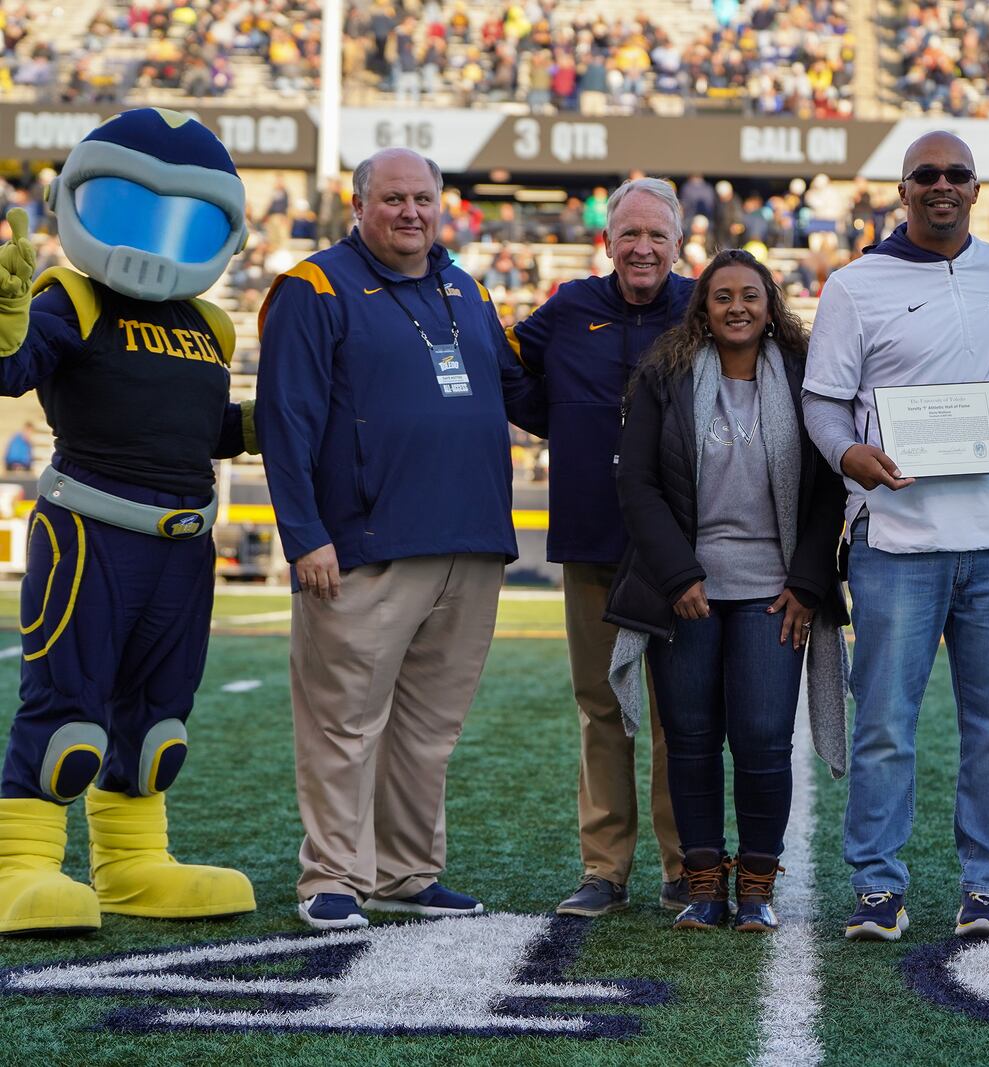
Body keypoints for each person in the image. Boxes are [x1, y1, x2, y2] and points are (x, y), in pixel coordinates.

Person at [255, 147, 541, 931]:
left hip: (471, 541)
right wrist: (305, 534)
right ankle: (335, 876)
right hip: (364, 546)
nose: (410, 211)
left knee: (428, 730)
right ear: (357, 205)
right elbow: (286, 418)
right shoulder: (313, 287)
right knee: (344, 722)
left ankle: (408, 871)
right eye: (393, 199)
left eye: (422, 197)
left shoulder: (467, 287)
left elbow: (526, 393)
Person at [0, 109, 256, 935]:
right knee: (68, 713)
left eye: (181, 218)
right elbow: (14, 371)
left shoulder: (210, 324)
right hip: (90, 533)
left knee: (155, 726)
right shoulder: (69, 294)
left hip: (183, 543)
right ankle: (20, 867)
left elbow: (203, 429)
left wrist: (284, 413)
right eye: (127, 208)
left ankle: (134, 865)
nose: (152, 239)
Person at [804, 131, 989, 941]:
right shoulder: (853, 285)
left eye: (958, 175)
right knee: (883, 726)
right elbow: (824, 403)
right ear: (901, 192)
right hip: (897, 542)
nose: (942, 185)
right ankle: (878, 885)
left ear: (978, 190)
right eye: (925, 175)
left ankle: (987, 888)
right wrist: (849, 454)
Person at [605, 249, 848, 933]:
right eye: (722, 296)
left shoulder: (804, 377)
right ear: (702, 309)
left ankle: (758, 885)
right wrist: (679, 573)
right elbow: (638, 484)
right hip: (688, 589)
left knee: (766, 739)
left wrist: (807, 581)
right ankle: (705, 883)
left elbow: (828, 484)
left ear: (771, 304)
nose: (737, 306)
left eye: (750, 294)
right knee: (689, 739)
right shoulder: (665, 375)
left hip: (776, 591)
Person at [507, 177, 693, 917]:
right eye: (629, 235)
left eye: (656, 236)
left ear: (678, 244)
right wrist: (564, 421)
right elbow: (507, 367)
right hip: (590, 537)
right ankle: (604, 868)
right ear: (607, 241)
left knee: (681, 713)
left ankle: (688, 866)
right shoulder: (570, 306)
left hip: (682, 549)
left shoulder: (702, 306)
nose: (642, 248)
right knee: (601, 706)